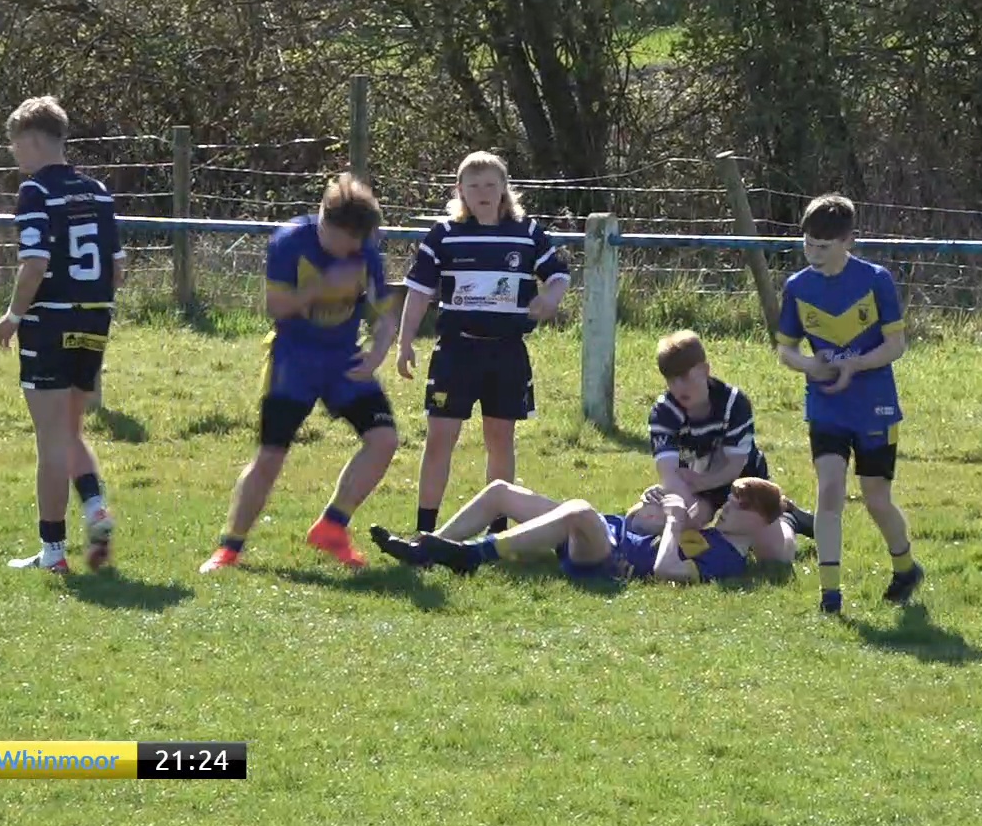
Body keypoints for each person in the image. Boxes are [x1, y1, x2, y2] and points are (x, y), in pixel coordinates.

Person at [199, 174, 399, 573]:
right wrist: (324, 285)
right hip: (294, 363)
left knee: (384, 440)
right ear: (327, 225)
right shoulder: (290, 241)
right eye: (351, 240)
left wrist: (377, 352)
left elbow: (385, 316)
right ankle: (229, 549)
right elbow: (277, 305)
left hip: (343, 362)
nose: (357, 249)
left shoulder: (365, 251)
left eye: (363, 241)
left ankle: (332, 526)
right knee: (271, 456)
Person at [395, 152, 569, 536]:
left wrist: (550, 298)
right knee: (440, 438)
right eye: (474, 186)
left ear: (504, 188)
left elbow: (558, 275)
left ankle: (497, 533)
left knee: (500, 439)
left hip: (507, 352)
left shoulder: (528, 232)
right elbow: (419, 293)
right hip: (456, 351)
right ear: (461, 191)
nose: (483, 192)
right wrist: (404, 342)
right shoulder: (444, 234)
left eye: (491, 184)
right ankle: (425, 531)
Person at [775, 193, 925, 615]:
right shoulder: (797, 287)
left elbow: (896, 345)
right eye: (808, 244)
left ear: (848, 242)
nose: (814, 254)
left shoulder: (876, 280)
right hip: (826, 406)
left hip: (874, 405)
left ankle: (906, 568)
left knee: (876, 497)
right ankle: (830, 596)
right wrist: (811, 365)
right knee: (829, 490)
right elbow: (785, 350)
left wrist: (854, 365)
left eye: (824, 247)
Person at [0, 96, 123, 575]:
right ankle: (94, 509)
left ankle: (52, 553)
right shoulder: (98, 192)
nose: (14, 156)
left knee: (49, 439)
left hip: (50, 320)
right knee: (70, 430)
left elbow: (35, 263)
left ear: (30, 140)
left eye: (14, 146)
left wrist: (12, 314)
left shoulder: (36, 192)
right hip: (94, 319)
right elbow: (116, 268)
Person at [369, 477, 795, 583]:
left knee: (578, 510)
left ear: (758, 522)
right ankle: (424, 551)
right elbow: (638, 527)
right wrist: (646, 509)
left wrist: (672, 520)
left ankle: (473, 555)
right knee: (500, 492)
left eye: (738, 505)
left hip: (609, 559)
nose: (727, 507)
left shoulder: (727, 559)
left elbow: (667, 569)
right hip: (609, 532)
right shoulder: (716, 532)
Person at [648, 329, 813, 537]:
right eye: (671, 380)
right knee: (670, 523)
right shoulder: (663, 412)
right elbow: (670, 474)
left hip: (744, 481)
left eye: (684, 377)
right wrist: (686, 507)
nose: (678, 387)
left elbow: (734, 466)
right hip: (697, 484)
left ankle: (786, 514)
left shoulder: (734, 403)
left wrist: (701, 484)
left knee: (772, 548)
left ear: (705, 370)